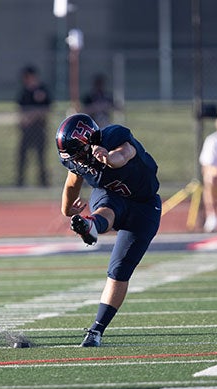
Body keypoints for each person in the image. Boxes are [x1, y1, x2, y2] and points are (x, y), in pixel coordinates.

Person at [55, 113, 161, 347]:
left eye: (79, 154)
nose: (78, 161)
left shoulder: (115, 137)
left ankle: (96, 330)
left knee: (119, 272)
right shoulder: (78, 160)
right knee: (106, 207)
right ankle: (90, 226)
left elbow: (124, 154)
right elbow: (73, 181)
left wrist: (108, 158)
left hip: (145, 206)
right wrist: (66, 210)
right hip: (111, 196)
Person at [15, 65, 52, 187]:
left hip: (39, 129)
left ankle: (43, 182)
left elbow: (47, 109)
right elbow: (20, 110)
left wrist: (33, 115)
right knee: (22, 156)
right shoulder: (24, 92)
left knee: (41, 158)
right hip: (26, 130)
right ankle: (20, 182)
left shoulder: (42, 90)